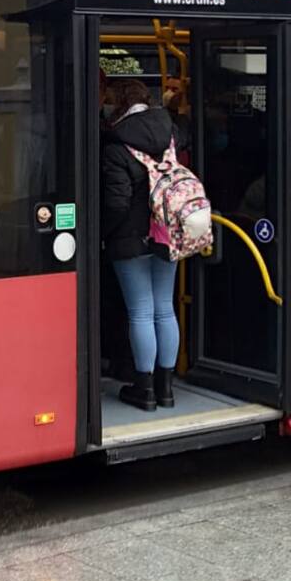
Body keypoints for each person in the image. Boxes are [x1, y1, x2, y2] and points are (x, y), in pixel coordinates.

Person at [101, 79, 180, 413]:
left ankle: (143, 388)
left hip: (130, 241)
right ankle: (166, 388)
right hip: (167, 234)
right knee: (164, 307)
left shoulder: (117, 145)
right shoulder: (170, 137)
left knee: (141, 311)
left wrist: (104, 234)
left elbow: (117, 204)